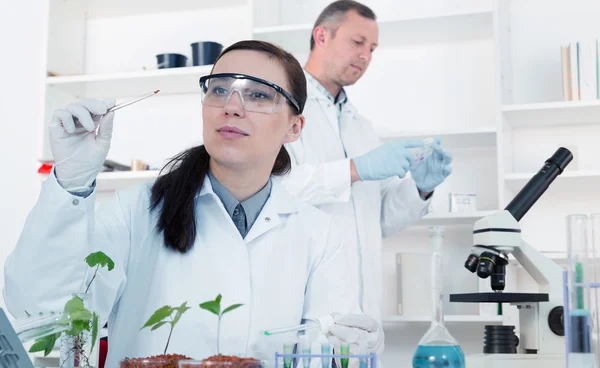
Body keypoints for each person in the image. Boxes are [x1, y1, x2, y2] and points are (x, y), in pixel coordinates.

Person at [3, 40, 384, 366]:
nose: (231, 106)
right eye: (219, 89)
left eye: (258, 94)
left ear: (294, 127)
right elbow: (44, 314)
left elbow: (323, 345)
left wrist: (349, 348)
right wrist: (71, 184)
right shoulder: (136, 211)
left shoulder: (317, 233)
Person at [281, 0, 453, 323]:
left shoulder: (362, 128)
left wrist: (421, 189)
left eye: (372, 48)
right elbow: (278, 193)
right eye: (357, 42)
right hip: (307, 315)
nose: (366, 56)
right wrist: (354, 169)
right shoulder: (285, 108)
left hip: (364, 319)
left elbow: (382, 220)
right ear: (321, 36)